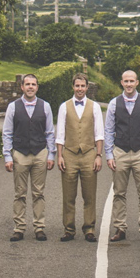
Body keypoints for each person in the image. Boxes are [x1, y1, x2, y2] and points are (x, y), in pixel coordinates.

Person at [104, 68, 140, 243]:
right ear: (122, 83)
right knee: (119, 192)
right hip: (120, 151)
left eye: (131, 81)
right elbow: (109, 130)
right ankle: (120, 228)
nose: (128, 84)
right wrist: (109, 154)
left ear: (137, 83)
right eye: (125, 81)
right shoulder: (114, 103)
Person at [2, 73, 56, 241]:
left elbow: (50, 132)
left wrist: (51, 154)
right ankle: (19, 228)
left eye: (33, 84)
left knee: (38, 192)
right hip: (20, 154)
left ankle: (39, 227)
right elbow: (7, 133)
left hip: (40, 153)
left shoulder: (45, 106)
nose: (30, 87)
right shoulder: (13, 107)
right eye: (28, 84)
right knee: (20, 193)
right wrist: (8, 157)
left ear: (37, 87)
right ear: (22, 87)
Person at [56, 72, 105, 242]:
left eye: (83, 86)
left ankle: (89, 228)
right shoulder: (64, 106)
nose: (80, 89)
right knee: (68, 195)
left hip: (89, 154)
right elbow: (60, 134)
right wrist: (60, 156)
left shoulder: (95, 107)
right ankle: (69, 229)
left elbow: (99, 134)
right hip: (69, 154)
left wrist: (98, 155)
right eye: (77, 86)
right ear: (73, 87)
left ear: (87, 87)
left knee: (89, 195)